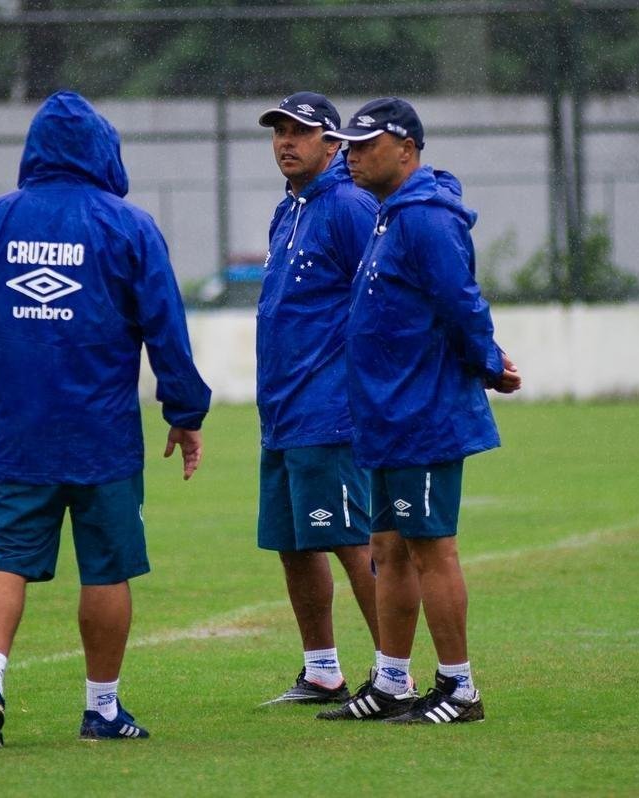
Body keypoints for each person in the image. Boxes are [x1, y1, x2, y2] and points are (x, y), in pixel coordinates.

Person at [0, 90, 212, 748]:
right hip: (100, 435)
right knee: (106, 568)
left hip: (16, 430)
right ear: (102, 152)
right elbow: (167, 327)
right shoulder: (129, 227)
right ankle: (102, 709)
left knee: (4, 558)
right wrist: (185, 412)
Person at [317, 97, 521, 724]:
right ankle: (390, 682)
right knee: (387, 547)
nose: (351, 155)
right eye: (347, 145)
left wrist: (489, 363)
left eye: (364, 145)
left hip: (422, 415)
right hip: (386, 416)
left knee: (433, 548)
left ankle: (460, 689)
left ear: (406, 150)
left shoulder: (426, 218)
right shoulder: (389, 214)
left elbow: (461, 303)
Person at [253, 92, 382, 706]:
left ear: (334, 144)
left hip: (328, 409)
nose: (285, 142)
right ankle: (323, 670)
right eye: (278, 132)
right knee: (294, 541)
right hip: (282, 412)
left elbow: (385, 295)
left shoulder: (351, 206)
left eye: (299, 132)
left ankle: (393, 674)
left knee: (352, 538)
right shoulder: (289, 210)